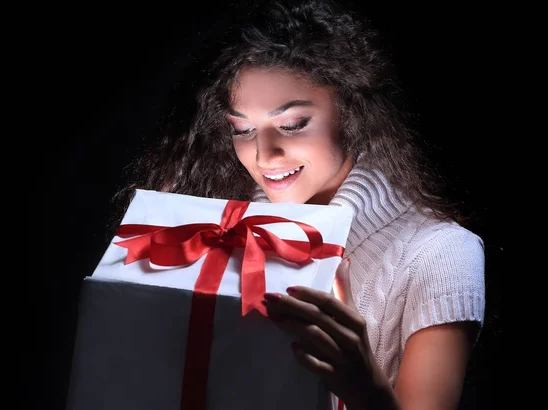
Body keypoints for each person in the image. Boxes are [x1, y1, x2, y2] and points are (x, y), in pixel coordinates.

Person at [111, 0, 486, 408]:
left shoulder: (441, 253)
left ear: (353, 112)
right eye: (243, 129)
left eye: (291, 125)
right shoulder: (216, 238)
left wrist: (365, 387)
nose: (264, 155)